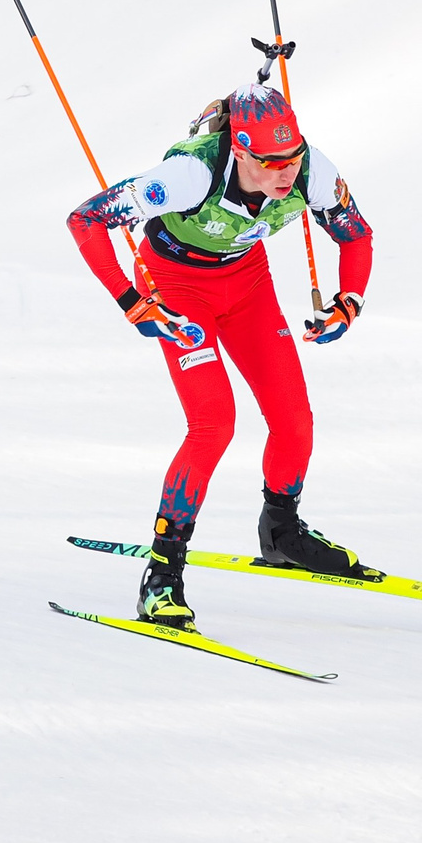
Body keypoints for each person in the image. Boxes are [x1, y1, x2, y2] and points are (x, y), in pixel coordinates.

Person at [66, 83, 375, 630]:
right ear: (239, 150)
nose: (285, 173)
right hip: (175, 284)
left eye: (292, 157)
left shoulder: (311, 172)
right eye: (270, 162)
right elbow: (86, 221)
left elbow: (356, 236)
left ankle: (281, 532)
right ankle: (162, 574)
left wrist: (348, 300)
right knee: (214, 424)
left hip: (246, 283)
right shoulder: (190, 176)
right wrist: (133, 303)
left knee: (294, 419)